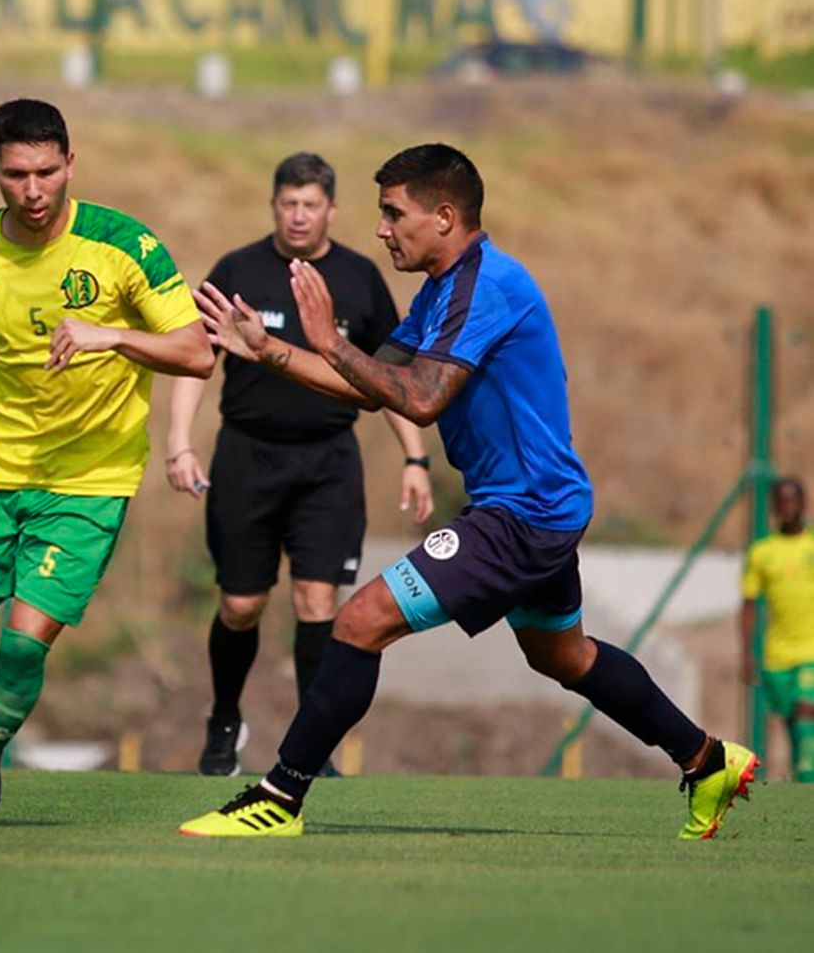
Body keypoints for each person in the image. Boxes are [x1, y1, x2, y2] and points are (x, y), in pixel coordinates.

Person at [180, 143, 758, 840]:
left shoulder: (485, 288)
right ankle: (707, 759)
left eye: (395, 213)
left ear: (445, 216)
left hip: (522, 515)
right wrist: (270, 351)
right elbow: (374, 389)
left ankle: (279, 797)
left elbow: (417, 400)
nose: (382, 229)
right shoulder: (440, 293)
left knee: (360, 620)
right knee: (562, 655)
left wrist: (329, 343)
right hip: (535, 507)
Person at [0, 98, 214, 827]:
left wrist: (112, 336)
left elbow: (198, 352)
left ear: (71, 164)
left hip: (91, 481)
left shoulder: (123, 246)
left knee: (20, 650)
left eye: (48, 171)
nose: (34, 189)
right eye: (17, 174)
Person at [164, 152, 434, 777]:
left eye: (311, 204)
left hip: (328, 465)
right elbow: (195, 362)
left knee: (318, 601)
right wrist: (180, 443)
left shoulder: (362, 278)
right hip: (246, 458)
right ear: (274, 207)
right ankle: (224, 719)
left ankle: (312, 748)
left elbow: (390, 379)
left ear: (332, 210)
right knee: (241, 604)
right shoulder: (239, 269)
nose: (299, 216)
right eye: (288, 203)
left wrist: (415, 458)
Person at [741, 477, 814, 783]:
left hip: (810, 649)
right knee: (789, 717)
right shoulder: (762, 552)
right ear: (774, 507)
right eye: (781, 502)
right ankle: (800, 773)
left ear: (803, 504)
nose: (787, 507)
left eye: (792, 500)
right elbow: (748, 604)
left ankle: (808, 776)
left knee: (805, 709)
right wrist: (746, 652)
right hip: (776, 652)